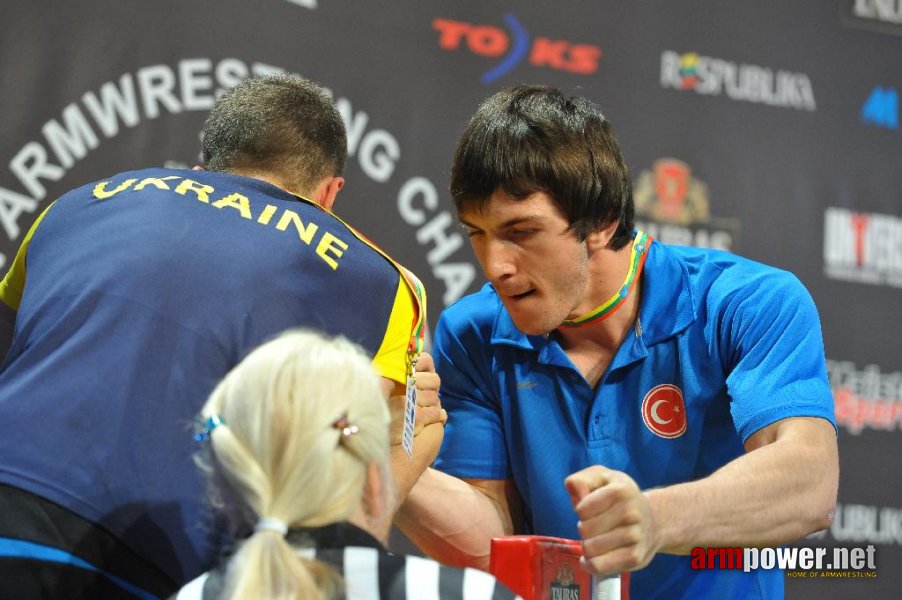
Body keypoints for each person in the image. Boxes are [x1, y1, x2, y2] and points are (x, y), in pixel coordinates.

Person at [0, 74, 443, 599]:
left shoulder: (74, 206)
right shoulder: (383, 284)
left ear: (203, 165)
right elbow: (376, 462)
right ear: (330, 193)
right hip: (169, 556)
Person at [395, 85, 839, 599]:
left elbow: (810, 484)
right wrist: (387, 460)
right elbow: (491, 542)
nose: (495, 266)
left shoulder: (746, 302)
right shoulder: (471, 332)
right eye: (477, 233)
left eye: (521, 232)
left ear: (602, 223)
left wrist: (655, 519)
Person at [172, 329, 516, 600]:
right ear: (373, 477)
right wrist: (403, 457)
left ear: (229, 480)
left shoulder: (190, 596)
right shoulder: (472, 595)